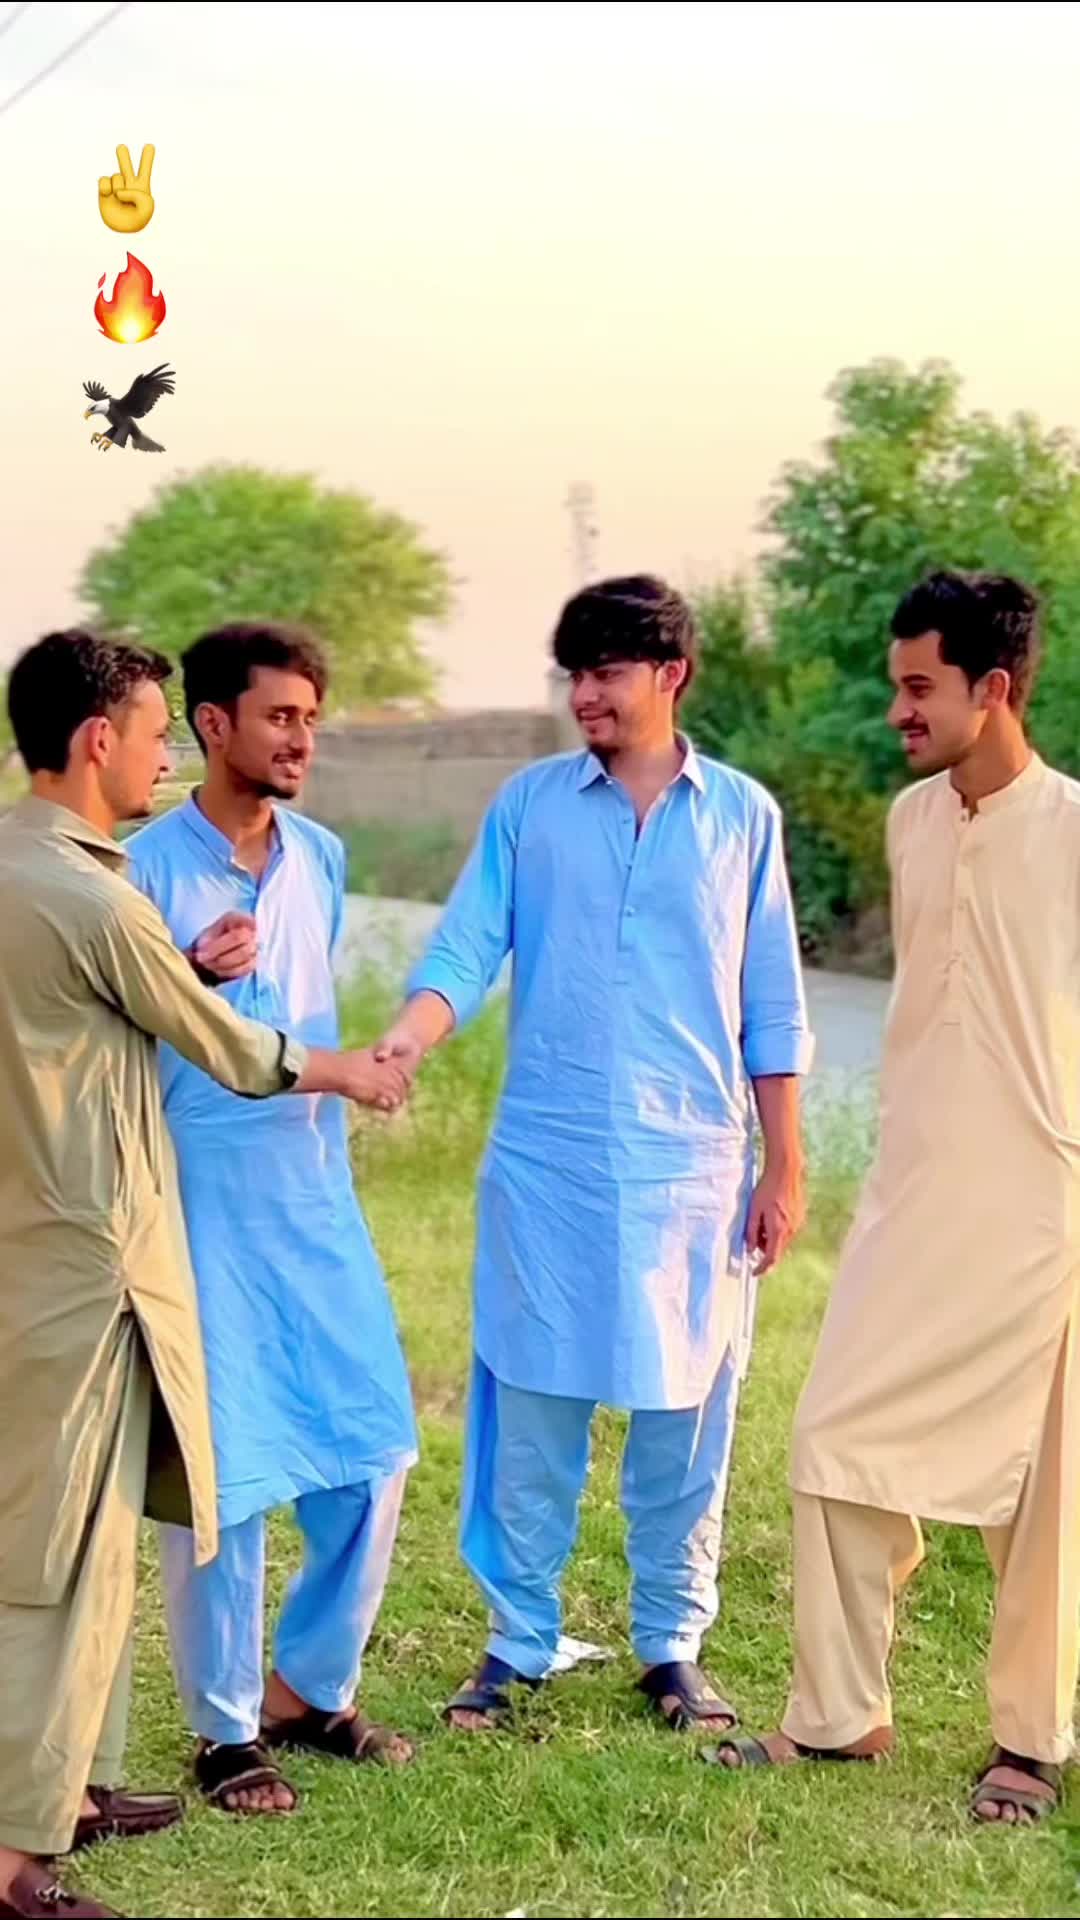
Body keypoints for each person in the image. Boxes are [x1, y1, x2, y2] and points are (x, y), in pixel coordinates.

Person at [0, 630, 408, 1920]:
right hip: (112, 1242)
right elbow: (227, 1049)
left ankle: (81, 1784)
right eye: (151, 731)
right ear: (96, 742)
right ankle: (33, 1841)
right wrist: (347, 1069)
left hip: (182, 1224)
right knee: (85, 1543)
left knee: (110, 1537)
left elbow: (86, 1018)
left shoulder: (41, 868)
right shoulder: (107, 885)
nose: (163, 755)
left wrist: (186, 975)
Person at [375, 575, 813, 1734]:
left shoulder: (742, 817)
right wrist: (409, 1038)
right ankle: (516, 1641)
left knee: (689, 1420)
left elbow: (771, 1001)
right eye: (573, 675)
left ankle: (672, 1646)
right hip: (549, 1161)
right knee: (530, 1411)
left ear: (670, 676)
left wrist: (785, 1164)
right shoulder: (531, 806)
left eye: (606, 674)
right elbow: (467, 947)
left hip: (695, 1169)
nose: (584, 696)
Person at [707, 570, 1080, 1826]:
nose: (897, 711)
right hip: (914, 1191)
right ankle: (839, 1714)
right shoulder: (913, 821)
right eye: (896, 686)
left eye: (920, 688)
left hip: (1045, 1205)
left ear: (995, 687)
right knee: (833, 1437)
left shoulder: (1073, 830)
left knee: (1043, 1496)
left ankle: (1029, 1741)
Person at [127, 623, 419, 1816]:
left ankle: (312, 1688)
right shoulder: (140, 870)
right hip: (198, 1202)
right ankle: (225, 1731)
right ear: (213, 724)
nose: (302, 738)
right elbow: (109, 1039)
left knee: (374, 1444)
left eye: (310, 718)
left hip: (314, 1190)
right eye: (279, 717)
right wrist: (191, 975)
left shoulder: (323, 858)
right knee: (229, 1473)